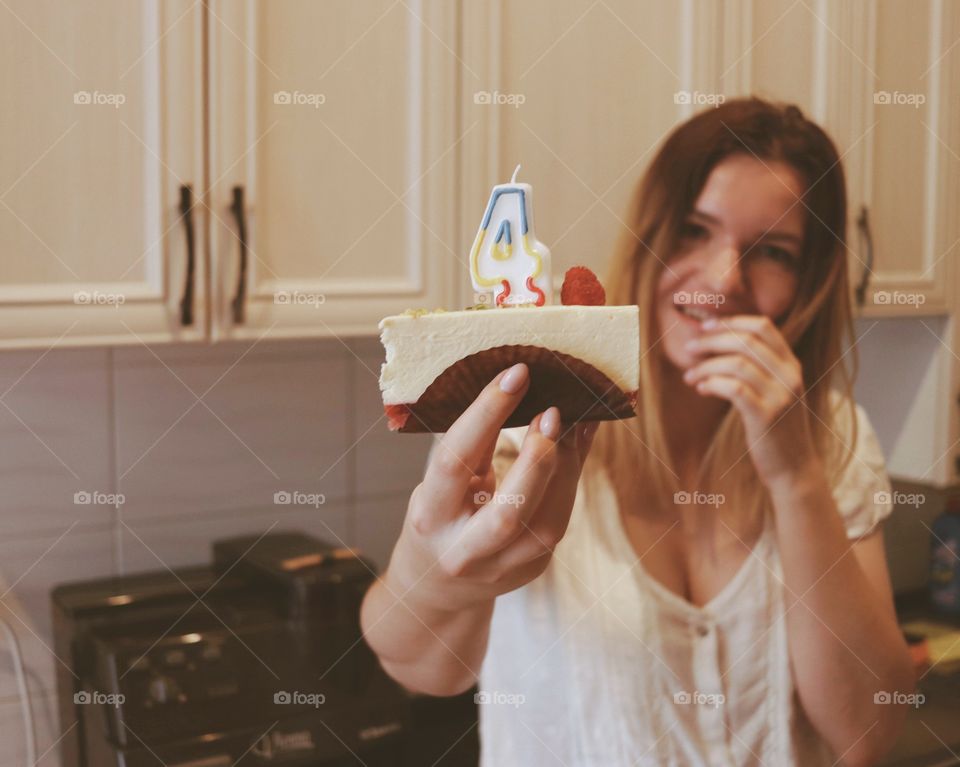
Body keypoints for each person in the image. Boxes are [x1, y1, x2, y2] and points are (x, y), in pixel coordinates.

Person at [360, 97, 914, 766]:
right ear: (651, 232)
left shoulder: (832, 440)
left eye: (773, 251)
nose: (721, 280)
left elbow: (867, 732)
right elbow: (422, 665)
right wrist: (436, 569)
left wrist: (796, 477)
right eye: (693, 230)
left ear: (809, 284)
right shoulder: (538, 430)